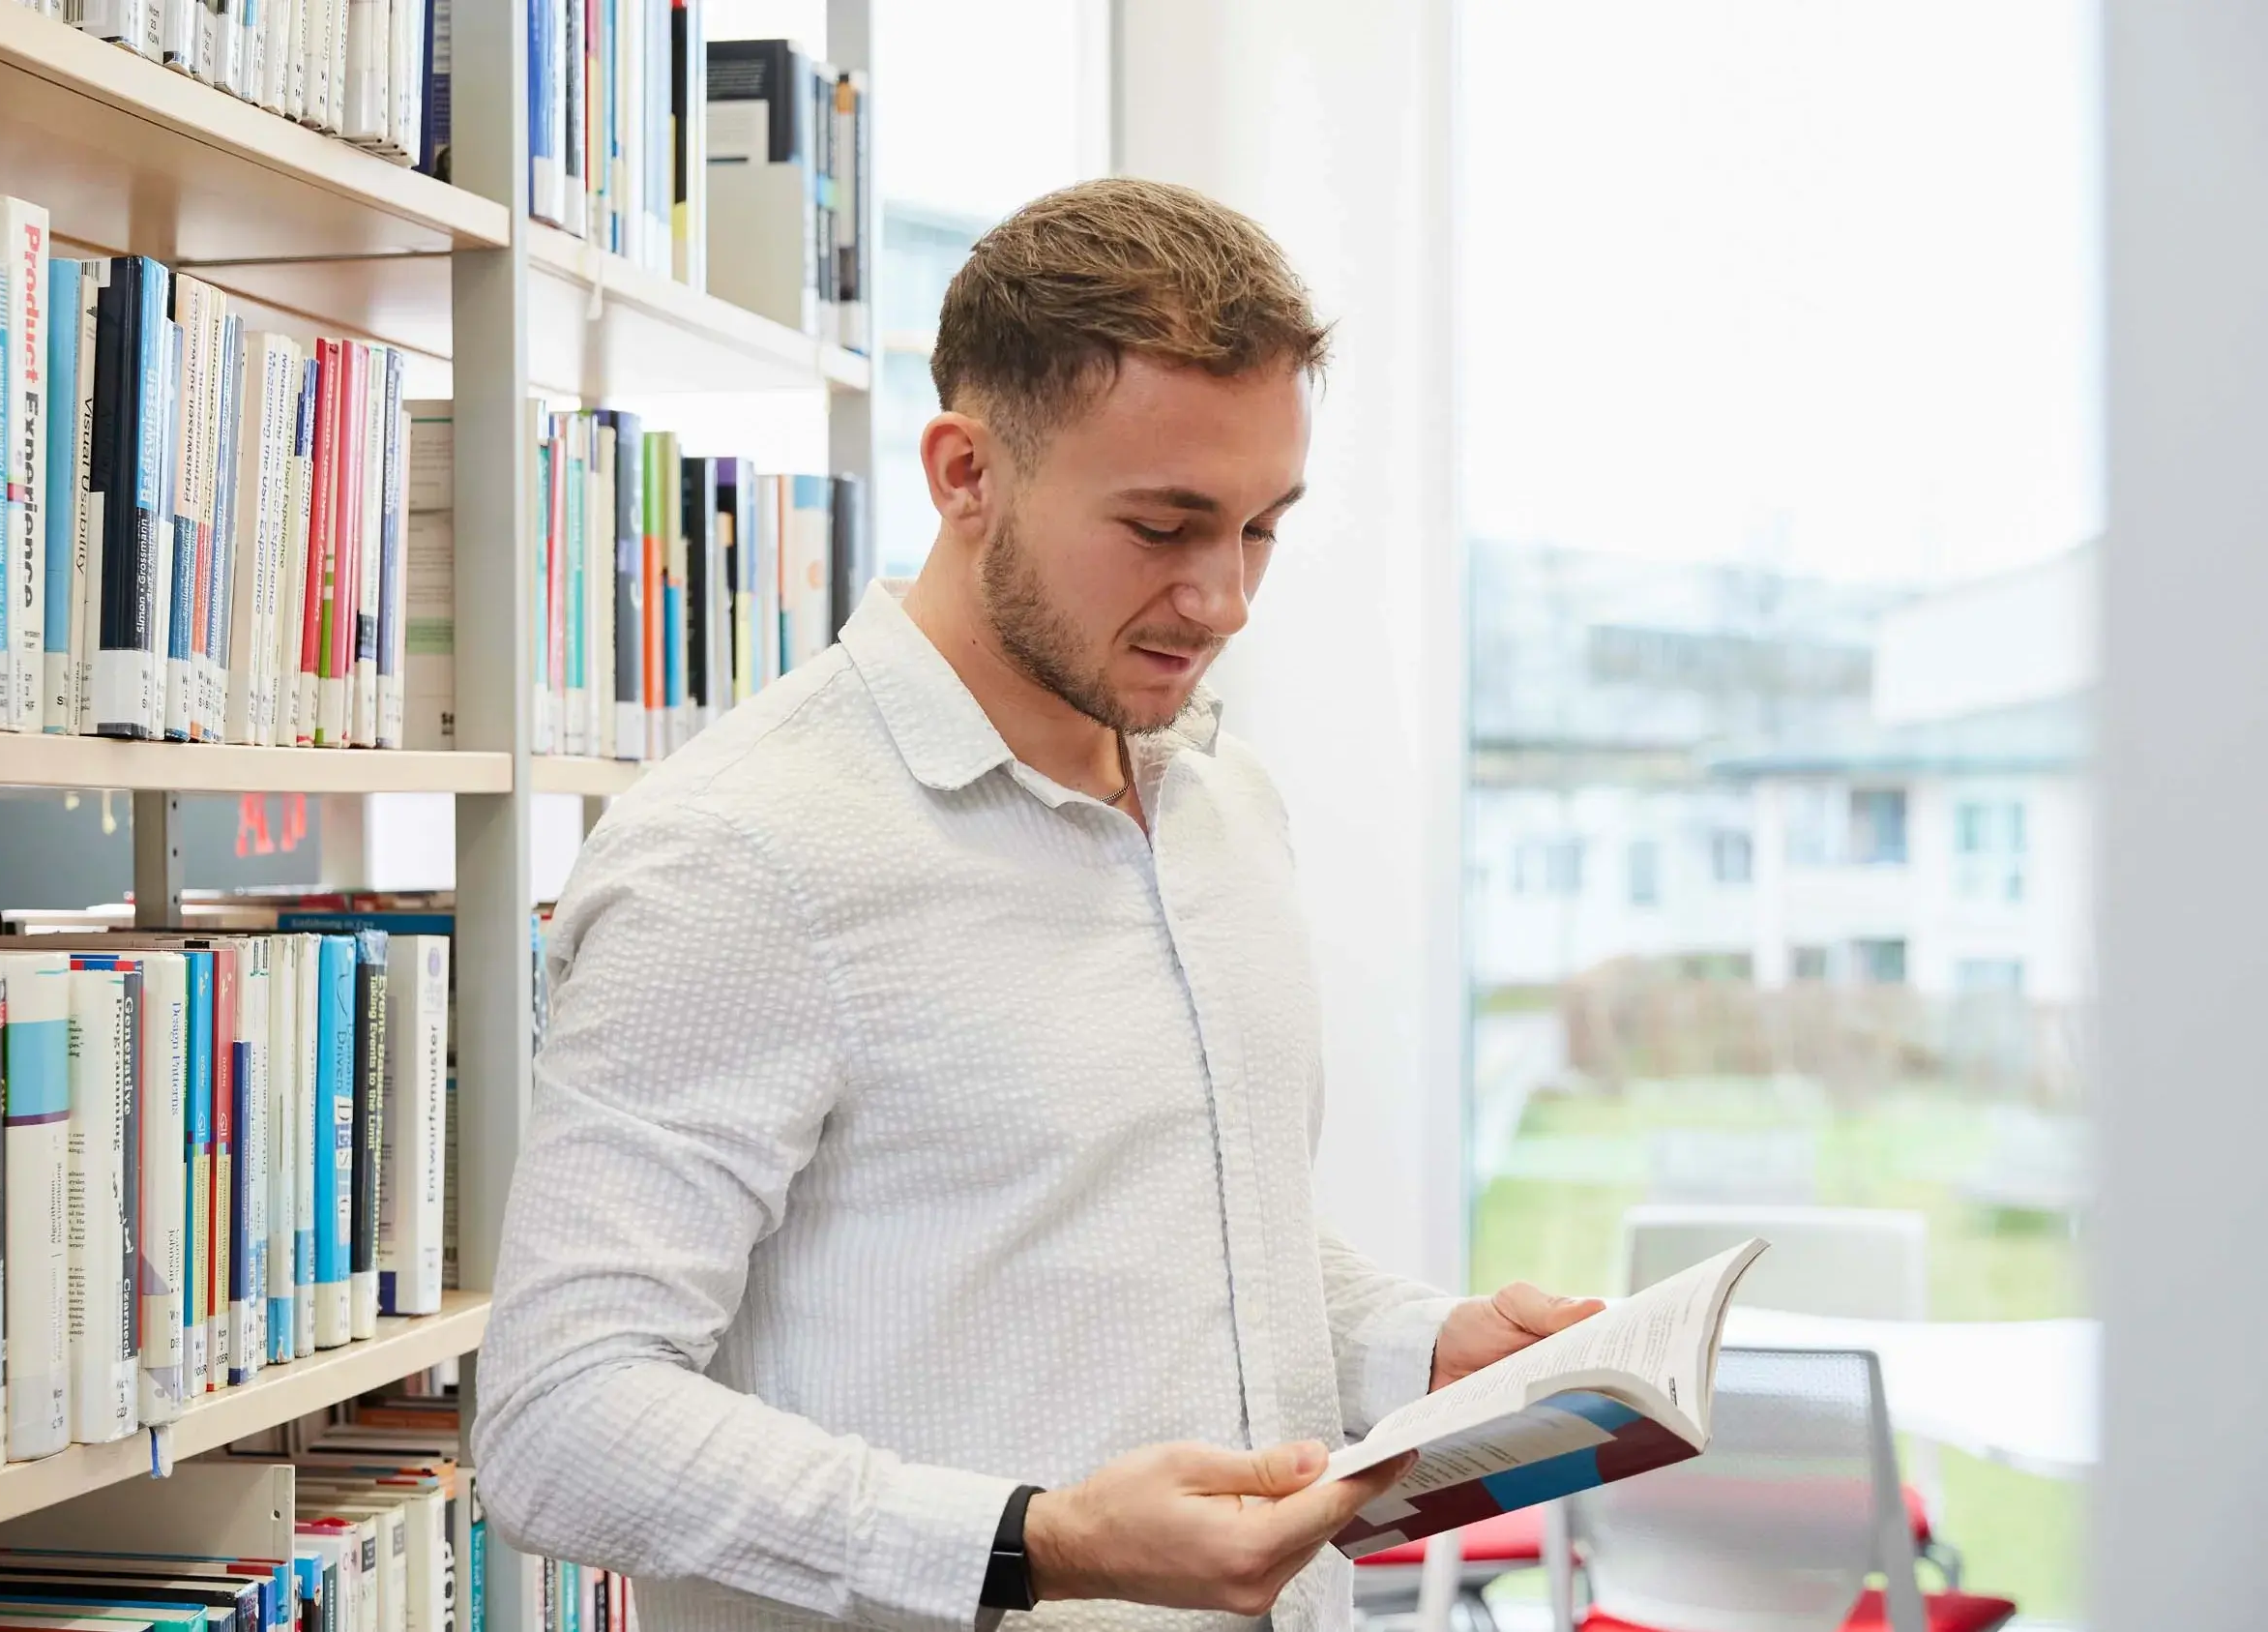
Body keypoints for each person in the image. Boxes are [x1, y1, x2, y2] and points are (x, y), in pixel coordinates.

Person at [476, 177, 1603, 1632]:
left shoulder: (1223, 802)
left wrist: (1419, 1345)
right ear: (964, 473)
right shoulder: (740, 852)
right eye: (1164, 525)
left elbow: (1174, 1235)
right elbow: (561, 1422)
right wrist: (1034, 1539)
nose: (1224, 599)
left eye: (1260, 527)